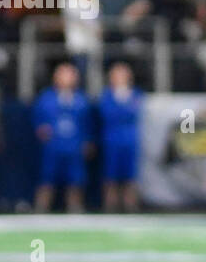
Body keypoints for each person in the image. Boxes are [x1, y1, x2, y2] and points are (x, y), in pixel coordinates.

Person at [33, 61, 91, 212]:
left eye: (70, 74)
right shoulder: (46, 98)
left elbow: (87, 123)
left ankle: (75, 209)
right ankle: (41, 210)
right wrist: (41, 131)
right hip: (53, 146)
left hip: (74, 146)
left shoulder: (81, 99)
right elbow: (38, 120)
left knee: (76, 180)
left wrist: (87, 142)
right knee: (47, 179)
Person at [99, 61, 142, 212]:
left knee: (130, 176)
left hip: (130, 140)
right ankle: (110, 206)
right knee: (111, 175)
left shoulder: (136, 94)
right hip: (112, 140)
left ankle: (131, 206)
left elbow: (135, 113)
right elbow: (108, 114)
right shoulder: (107, 95)